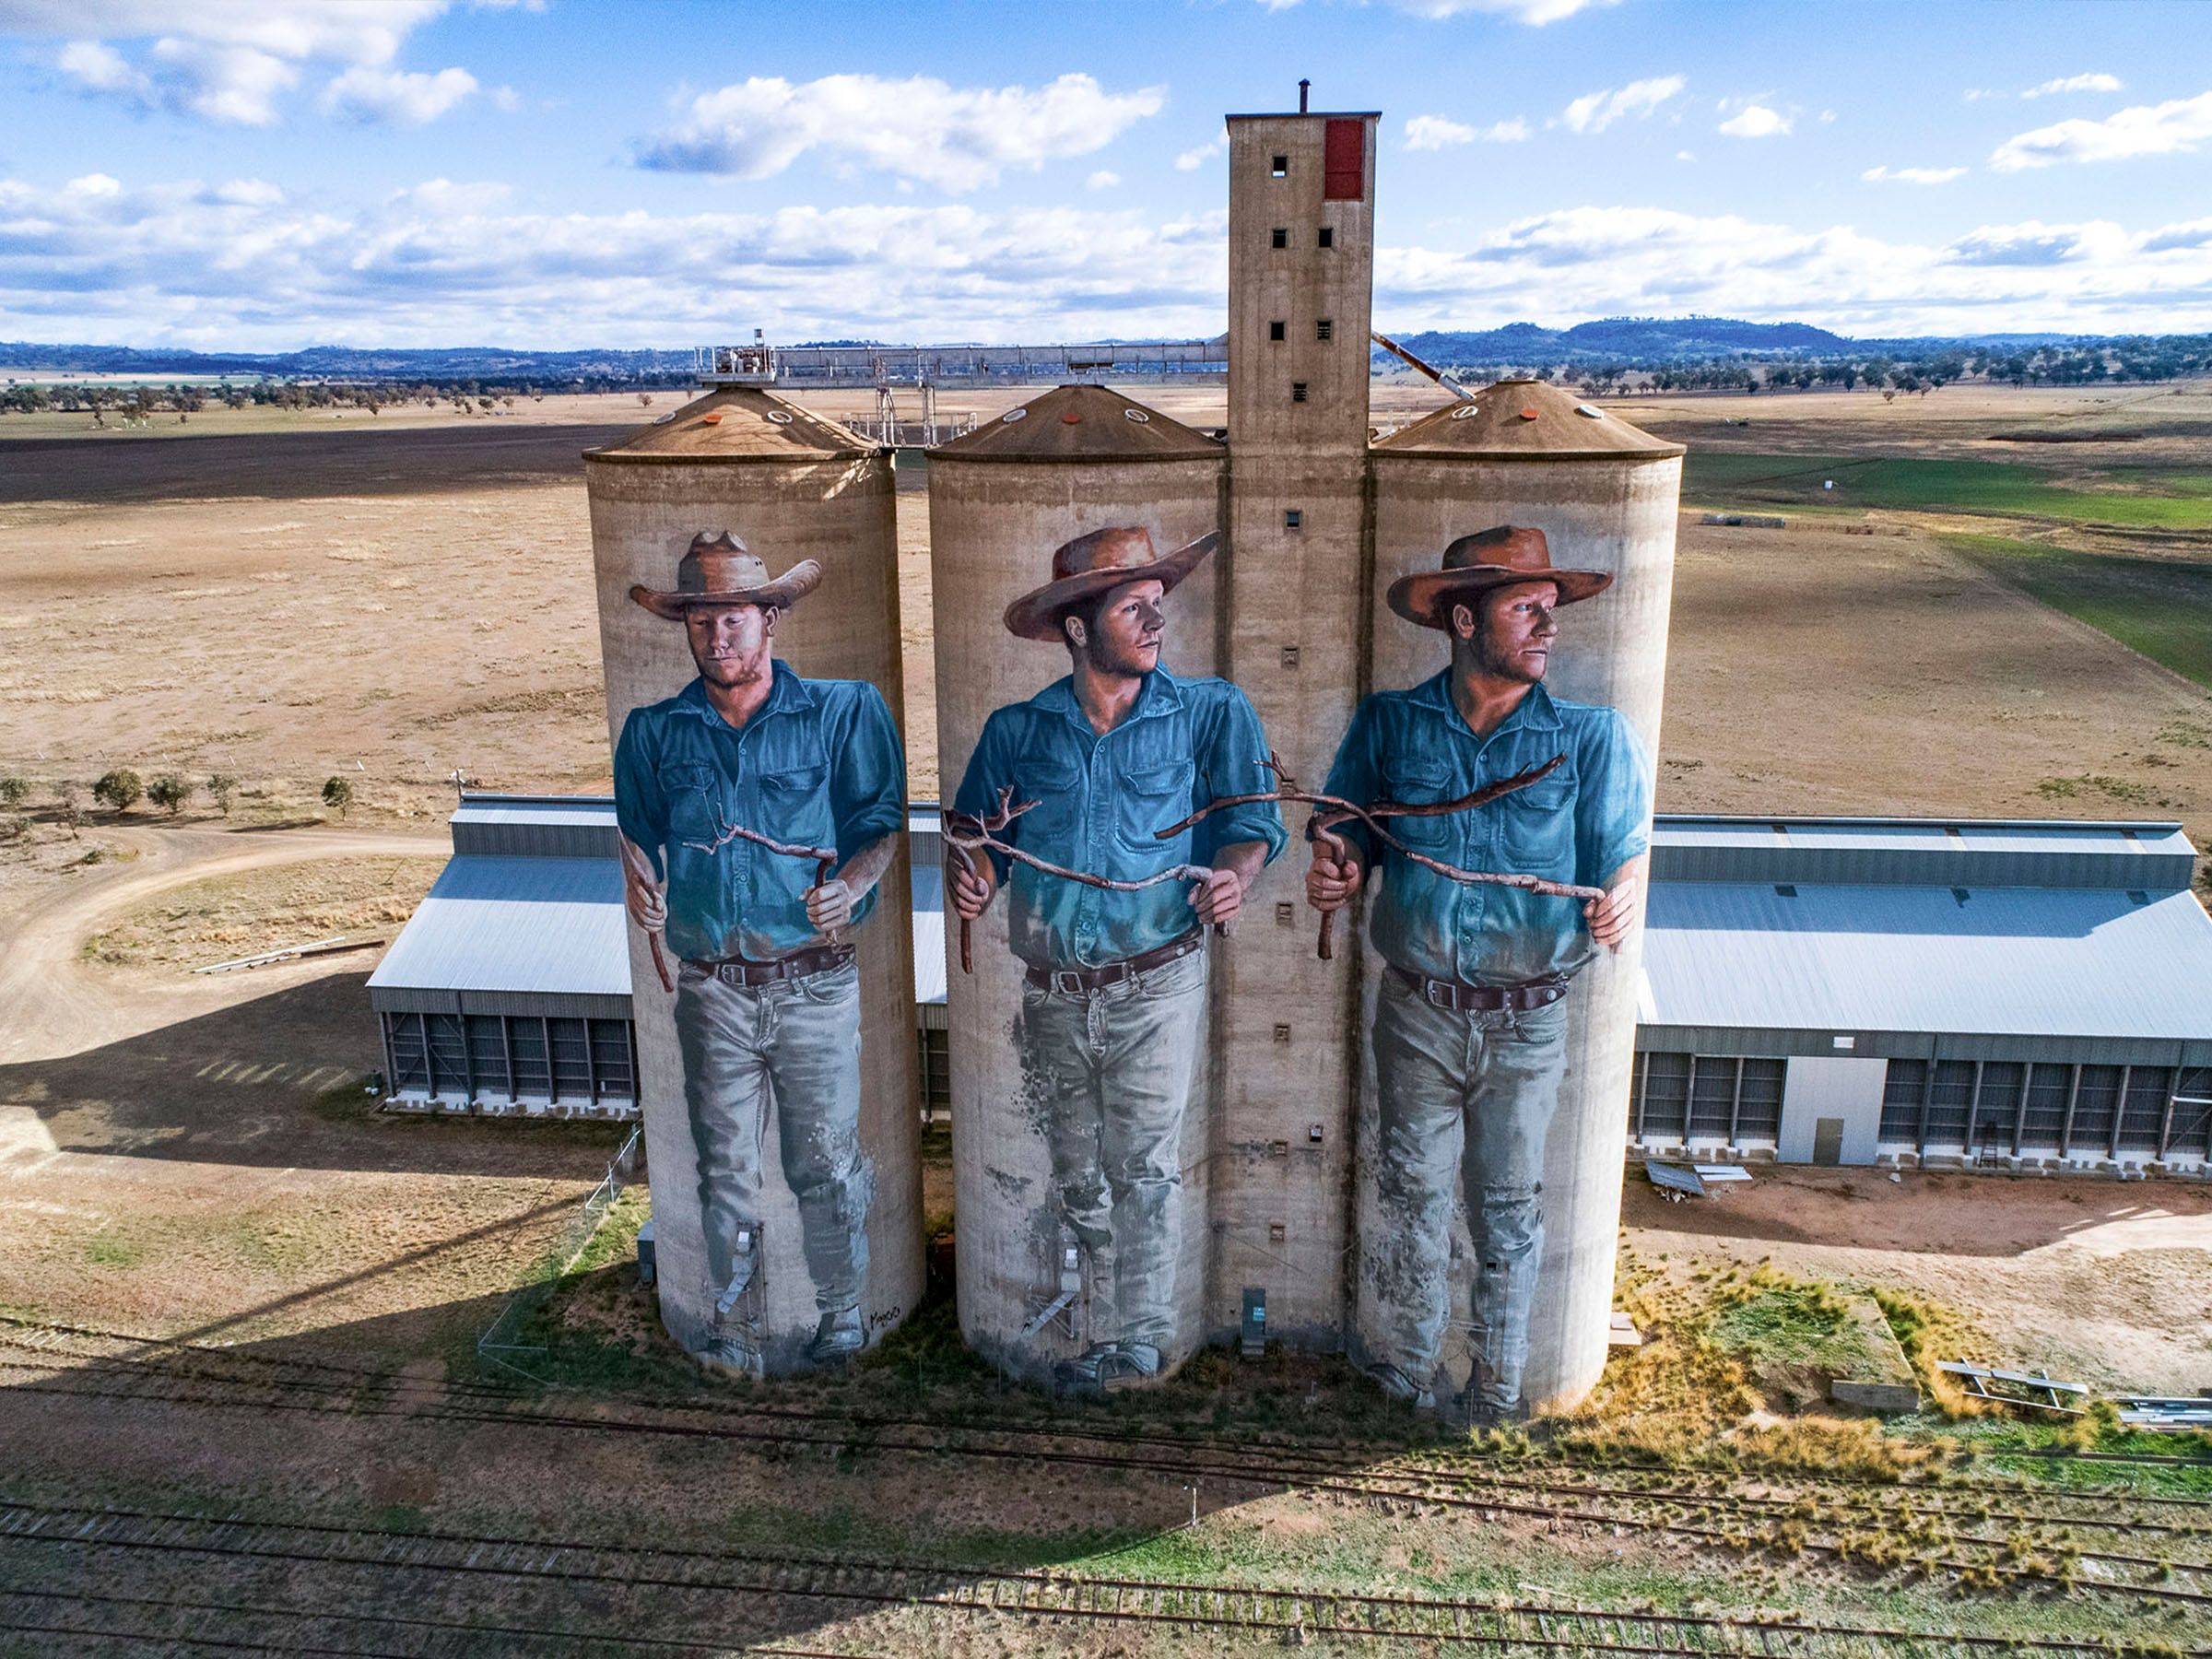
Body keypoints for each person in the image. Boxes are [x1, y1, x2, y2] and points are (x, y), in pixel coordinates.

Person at [1305, 524, 1651, 1422]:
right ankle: (1410, 1371)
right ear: (1464, 620)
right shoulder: (1390, 724)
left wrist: (1620, 896)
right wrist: (1339, 866)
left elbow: (1622, 855)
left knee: (1505, 1209)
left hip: (1527, 1021)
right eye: (1526, 607)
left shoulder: (1591, 739)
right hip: (1415, 1010)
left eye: (1552, 608)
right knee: (1412, 1199)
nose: (1548, 626)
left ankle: (1496, 1387)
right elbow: (1346, 828)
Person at [949, 525, 1285, 1394]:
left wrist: (1234, 877)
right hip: (1054, 994)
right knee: (1077, 1173)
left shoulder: (1210, 713)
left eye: (1157, 605)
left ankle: (1135, 1342)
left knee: (1143, 1169)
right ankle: (1097, 1322)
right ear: (1077, 627)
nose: (1155, 621)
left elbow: (1252, 826)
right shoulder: (1018, 731)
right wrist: (975, 877)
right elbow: (979, 838)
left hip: (1156, 982)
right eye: (1133, 608)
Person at [613, 531, 905, 1375]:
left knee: (824, 1164)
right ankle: (735, 1319)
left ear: (770, 618)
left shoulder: (843, 712)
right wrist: (642, 884)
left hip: (815, 986)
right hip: (713, 991)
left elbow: (880, 824)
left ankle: (842, 1315)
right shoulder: (655, 733)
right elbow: (637, 834)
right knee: (725, 1172)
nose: (717, 637)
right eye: (700, 621)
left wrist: (850, 888)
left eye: (733, 618)